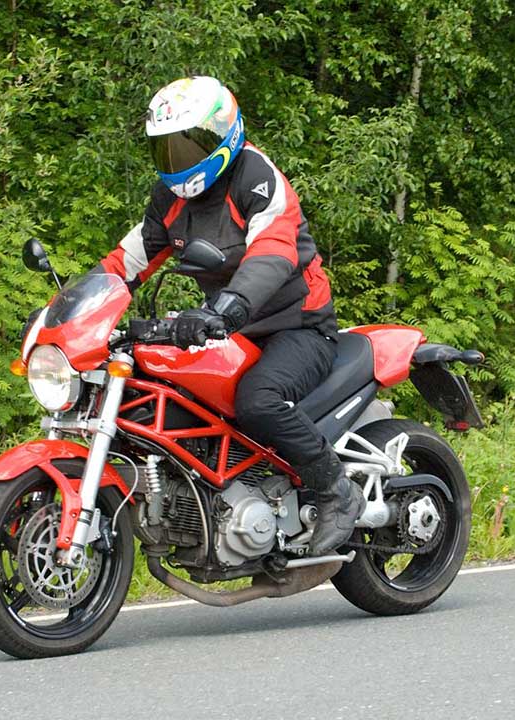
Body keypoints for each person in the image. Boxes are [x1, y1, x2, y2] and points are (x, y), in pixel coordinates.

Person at [97, 76, 364, 555]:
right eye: (166, 149)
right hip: (230, 326)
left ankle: (336, 491)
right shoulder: (170, 199)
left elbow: (272, 252)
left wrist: (227, 307)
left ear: (223, 132)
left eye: (188, 145)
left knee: (258, 401)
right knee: (160, 388)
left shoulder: (256, 178)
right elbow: (127, 262)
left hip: (297, 326)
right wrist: (70, 309)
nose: (177, 159)